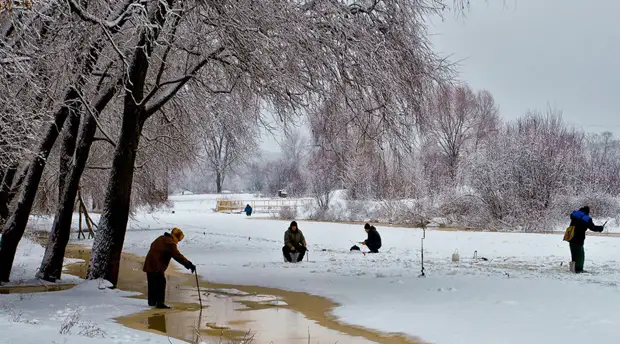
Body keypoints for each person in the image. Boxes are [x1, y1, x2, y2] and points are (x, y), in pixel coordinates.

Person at [143, 228, 196, 309]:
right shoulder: (170, 242)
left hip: (149, 264)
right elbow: (177, 256)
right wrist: (189, 264)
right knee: (161, 283)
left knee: (152, 283)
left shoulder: (160, 238)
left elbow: (153, 247)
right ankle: (160, 304)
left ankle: (152, 302)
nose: (177, 242)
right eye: (178, 240)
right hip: (157, 265)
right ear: (175, 237)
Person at [567, 206, 604, 273]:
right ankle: (579, 269)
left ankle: (572, 268)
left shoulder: (574, 215)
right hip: (579, 238)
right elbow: (593, 228)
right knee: (580, 254)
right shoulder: (587, 219)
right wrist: (600, 228)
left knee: (574, 253)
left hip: (570, 236)